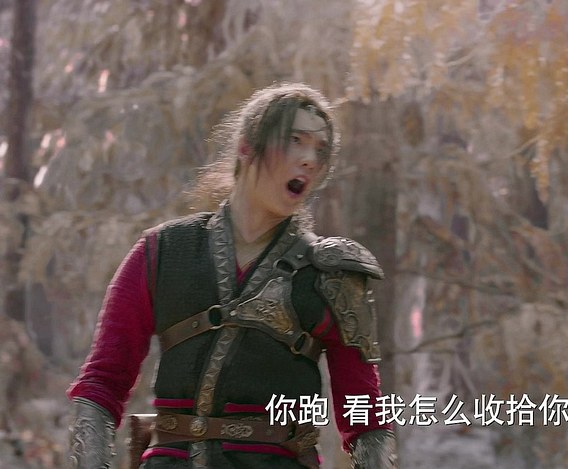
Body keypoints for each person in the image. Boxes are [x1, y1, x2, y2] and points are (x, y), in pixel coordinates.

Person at [66, 82, 397, 469]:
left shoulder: (333, 275)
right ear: (246, 147)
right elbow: (102, 383)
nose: (310, 159)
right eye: (295, 140)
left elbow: (366, 415)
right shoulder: (162, 251)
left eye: (320, 150)